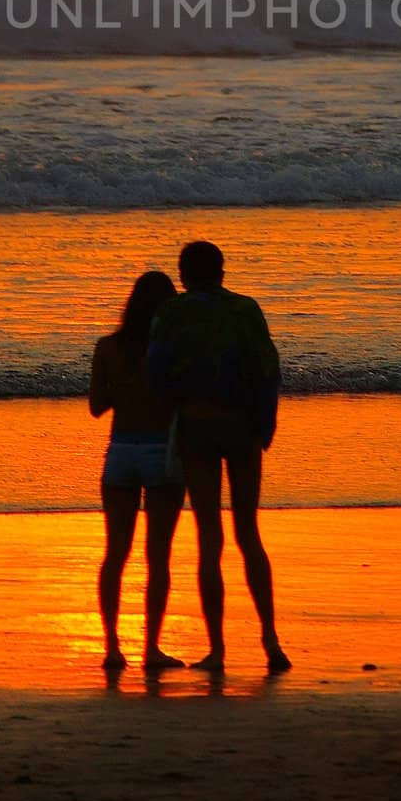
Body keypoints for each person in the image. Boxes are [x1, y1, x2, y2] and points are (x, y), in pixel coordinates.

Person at [147, 240, 291, 674]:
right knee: (249, 533)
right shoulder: (246, 309)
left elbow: (156, 373)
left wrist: (173, 407)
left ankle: (218, 649)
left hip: (197, 425)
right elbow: (269, 370)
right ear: (222, 272)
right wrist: (264, 428)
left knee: (209, 537)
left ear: (184, 276)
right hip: (242, 427)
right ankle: (270, 639)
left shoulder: (171, 313)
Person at [89, 270, 186, 672]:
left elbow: (97, 406)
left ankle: (112, 646)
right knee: (157, 557)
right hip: (162, 451)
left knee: (116, 553)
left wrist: (123, 388)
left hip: (121, 451)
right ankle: (150, 648)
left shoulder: (108, 347)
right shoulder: (174, 349)